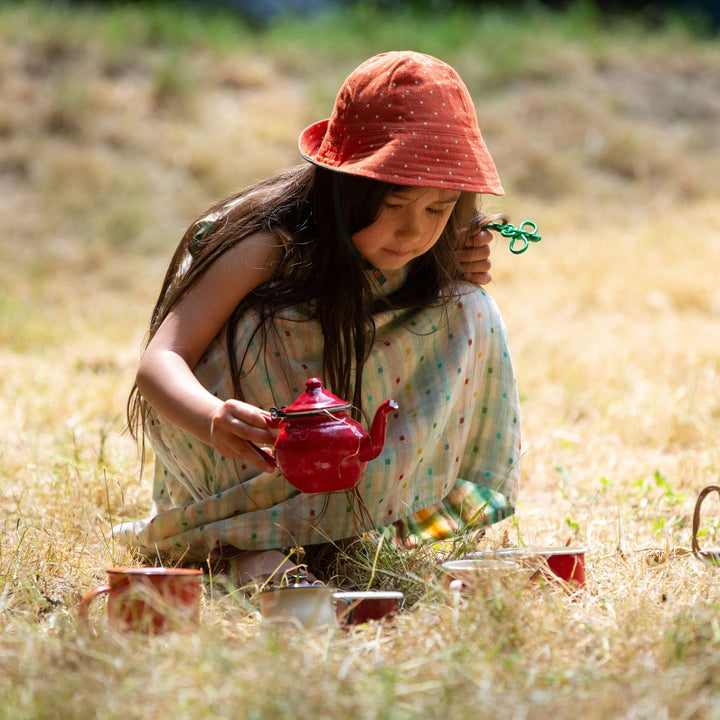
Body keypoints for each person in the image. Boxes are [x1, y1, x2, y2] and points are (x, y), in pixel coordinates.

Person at [115, 51, 522, 585]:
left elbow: (437, 261)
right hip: (249, 458)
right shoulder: (269, 244)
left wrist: (455, 267)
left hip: (346, 478)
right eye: (394, 206)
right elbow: (160, 360)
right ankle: (248, 541)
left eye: (437, 209)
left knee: (471, 307)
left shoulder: (435, 252)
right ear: (345, 187)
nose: (412, 234)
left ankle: (353, 532)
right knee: (265, 324)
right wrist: (213, 418)